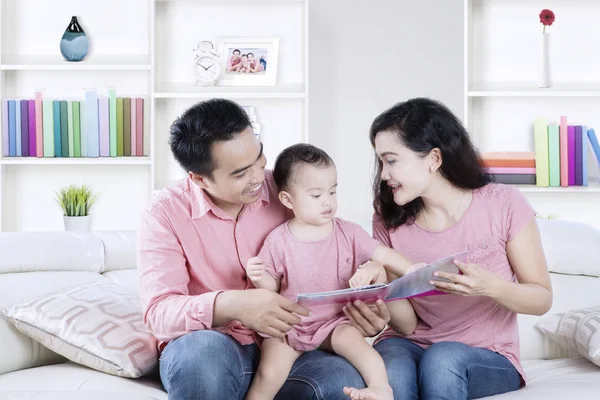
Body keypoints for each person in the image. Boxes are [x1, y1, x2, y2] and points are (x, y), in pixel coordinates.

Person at [137, 98, 383, 400]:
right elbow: (158, 312)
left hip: (293, 345)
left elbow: (344, 248)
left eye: (259, 157)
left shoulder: (289, 191)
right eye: (240, 173)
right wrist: (233, 304)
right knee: (200, 358)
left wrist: (365, 306)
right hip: (216, 348)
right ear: (199, 178)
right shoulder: (165, 213)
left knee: (342, 384)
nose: (258, 177)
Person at [346, 97, 553, 400]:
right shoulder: (388, 220)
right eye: (381, 162)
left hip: (486, 354)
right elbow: (407, 325)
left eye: (391, 160)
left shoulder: (503, 204)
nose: (384, 174)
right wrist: (383, 284)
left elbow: (542, 299)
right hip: (407, 344)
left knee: (442, 360)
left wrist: (489, 286)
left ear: (433, 159)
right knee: (391, 373)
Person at [243, 143, 418, 400]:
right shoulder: (279, 240)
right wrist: (258, 277)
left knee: (361, 349)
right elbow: (272, 288)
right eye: (316, 195)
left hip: (335, 322)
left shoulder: (348, 232)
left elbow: (382, 254)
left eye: (332, 192)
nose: (327, 202)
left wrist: (411, 269)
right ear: (288, 199)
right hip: (291, 324)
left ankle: (381, 387)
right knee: (269, 373)